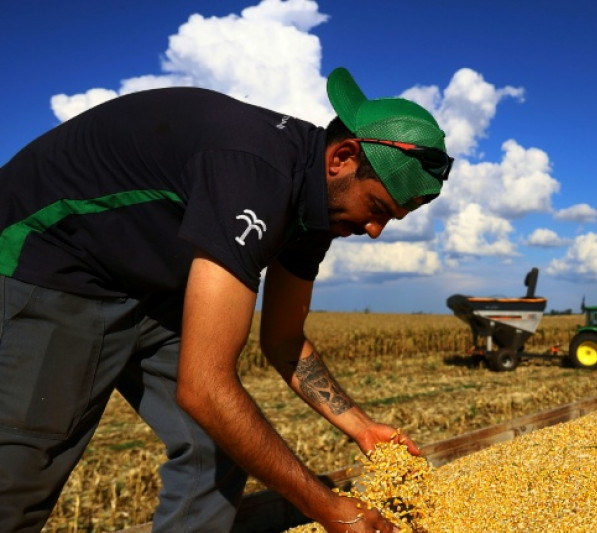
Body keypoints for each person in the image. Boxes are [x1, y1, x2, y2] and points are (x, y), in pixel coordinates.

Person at [0, 66, 452, 533]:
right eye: (377, 208)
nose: (375, 231)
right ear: (342, 157)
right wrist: (330, 508)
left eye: (390, 220)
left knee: (219, 451)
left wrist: (362, 427)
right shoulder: (256, 173)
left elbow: (283, 339)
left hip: (148, 282)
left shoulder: (319, 209)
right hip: (49, 258)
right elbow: (204, 388)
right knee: (21, 469)